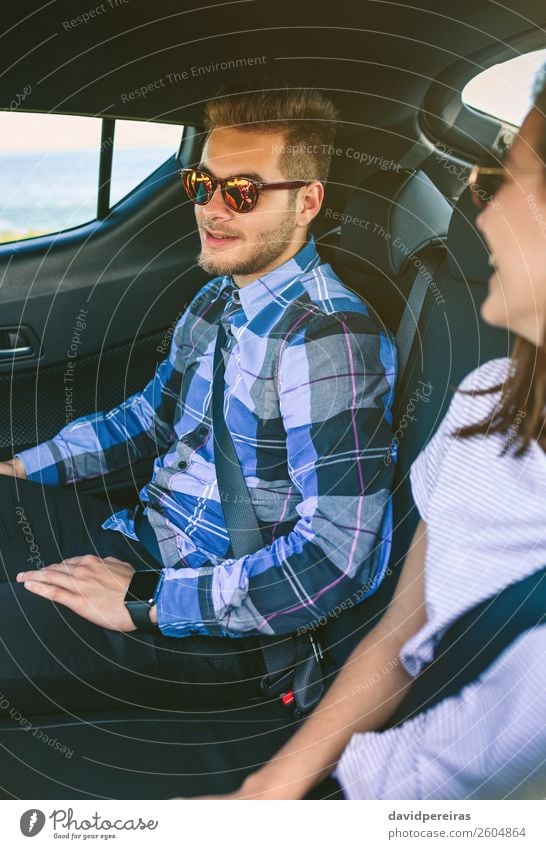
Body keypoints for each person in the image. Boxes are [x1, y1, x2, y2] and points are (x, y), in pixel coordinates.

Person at [190, 65, 546, 800]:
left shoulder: (329, 334)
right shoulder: (483, 405)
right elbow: (399, 639)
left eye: (506, 183)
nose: (480, 216)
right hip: (360, 784)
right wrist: (269, 788)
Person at [0, 87, 397, 716]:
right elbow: (148, 419)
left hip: (209, 619)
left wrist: (146, 600)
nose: (211, 208)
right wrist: (21, 470)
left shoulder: (328, 341)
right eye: (200, 184)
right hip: (138, 538)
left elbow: (336, 561)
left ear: (306, 202)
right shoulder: (217, 301)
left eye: (241, 191)